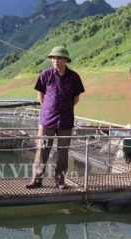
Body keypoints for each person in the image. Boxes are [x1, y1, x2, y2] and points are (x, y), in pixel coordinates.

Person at [26, 46, 85, 189]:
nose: (55, 61)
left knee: (63, 150)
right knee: (42, 148)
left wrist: (65, 108)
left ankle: (60, 180)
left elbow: (76, 98)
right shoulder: (46, 74)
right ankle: (37, 179)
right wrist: (47, 108)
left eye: (59, 58)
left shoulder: (74, 77)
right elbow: (40, 94)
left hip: (66, 120)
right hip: (47, 119)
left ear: (65, 60)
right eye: (53, 58)